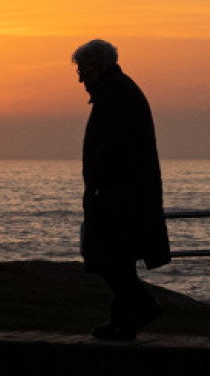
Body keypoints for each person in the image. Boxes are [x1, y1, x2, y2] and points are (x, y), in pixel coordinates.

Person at [72, 39, 171, 340]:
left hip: (119, 195)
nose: (79, 78)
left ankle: (141, 307)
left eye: (82, 70)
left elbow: (113, 146)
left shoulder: (114, 94)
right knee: (118, 259)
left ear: (96, 67)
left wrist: (98, 182)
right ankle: (121, 321)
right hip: (127, 193)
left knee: (108, 258)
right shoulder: (118, 90)